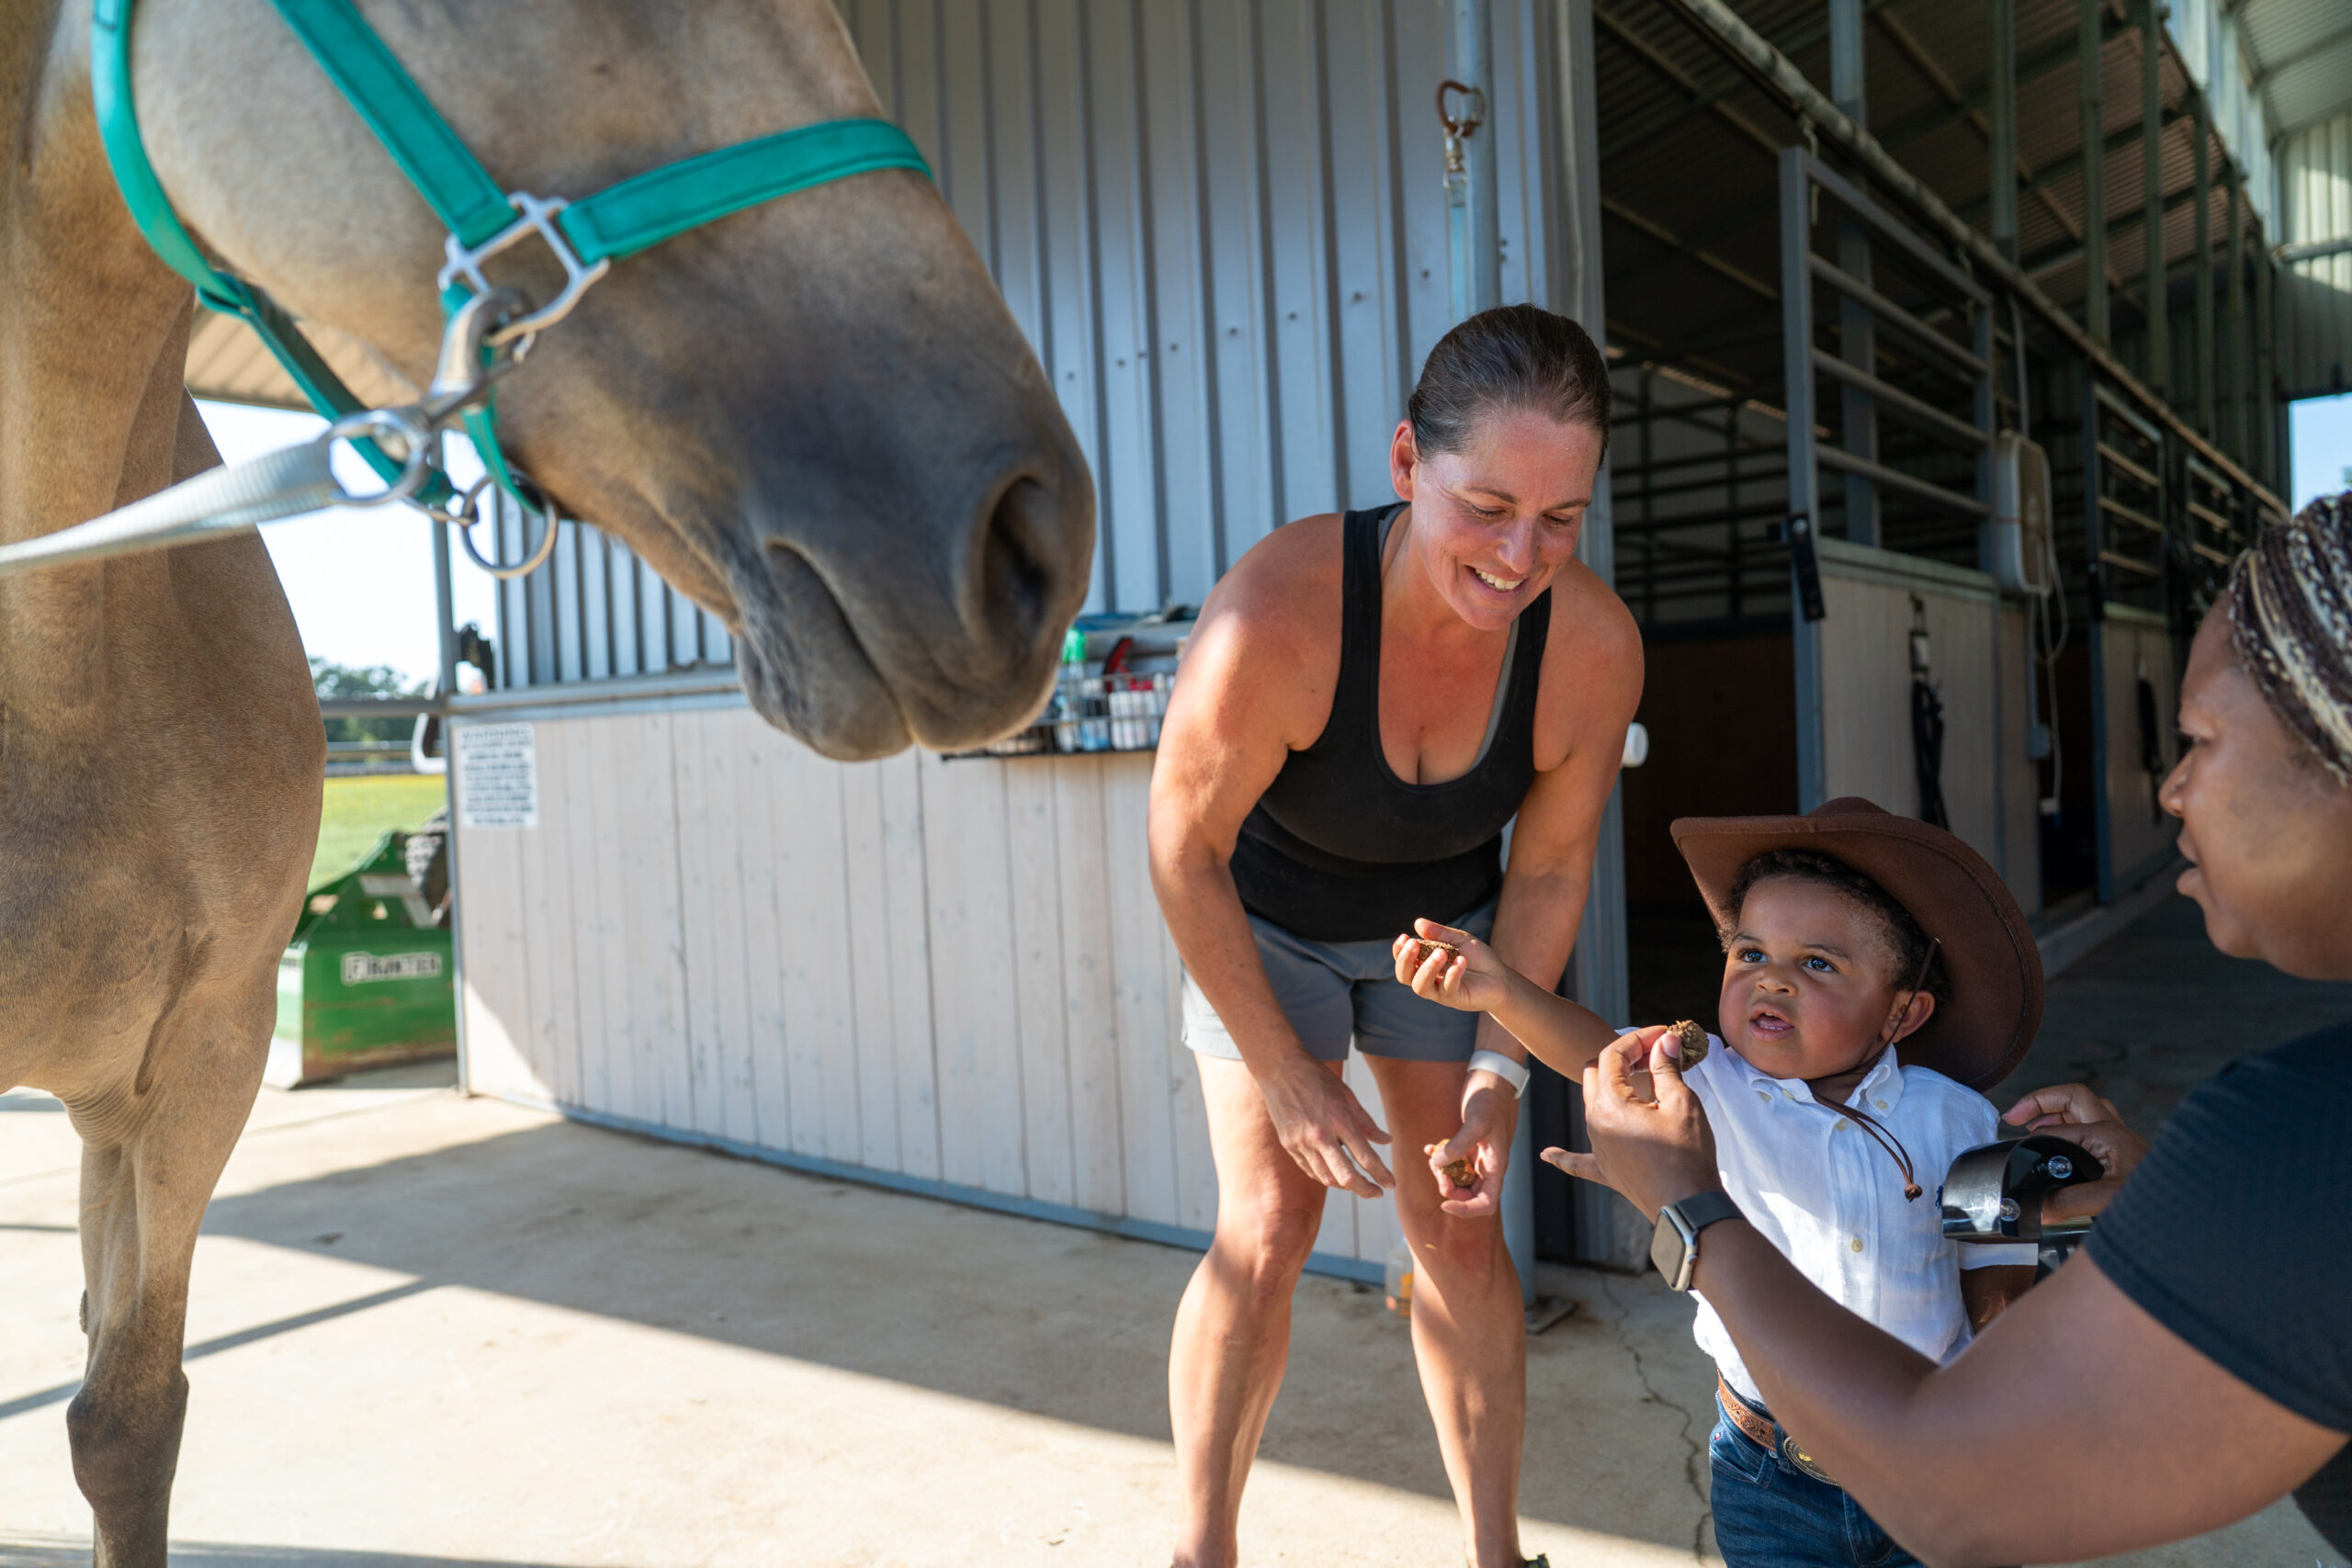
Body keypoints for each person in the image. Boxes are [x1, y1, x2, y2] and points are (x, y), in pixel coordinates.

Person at [1556, 493, 2352, 1565]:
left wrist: (1686, 1210)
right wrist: (2168, 1188)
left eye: (2200, 740)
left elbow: (1949, 1491)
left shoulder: (2305, 1138)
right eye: (1750, 951)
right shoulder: (2290, 1152)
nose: (2167, 791)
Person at [1147, 303, 1641, 1568]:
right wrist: (1287, 1070)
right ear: (1408, 462)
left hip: (1451, 930)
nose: (1520, 554)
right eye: (1486, 504)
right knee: (1269, 1224)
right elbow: (1184, 851)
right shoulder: (1279, 612)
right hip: (1267, 921)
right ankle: (1201, 1551)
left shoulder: (1590, 646)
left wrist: (1498, 1069)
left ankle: (1495, 1551)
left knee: (1463, 1221)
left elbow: (1550, 865)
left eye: (1560, 518)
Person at [1398, 799, 2043, 1567]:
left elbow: (1997, 1279)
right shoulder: (1711, 1086)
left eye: (1817, 963)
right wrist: (1505, 991)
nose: (1771, 981)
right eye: (1749, 954)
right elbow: (1598, 1051)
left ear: (1904, 1011)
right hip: (1770, 1472)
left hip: (1927, 1460)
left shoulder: (1956, 1118)